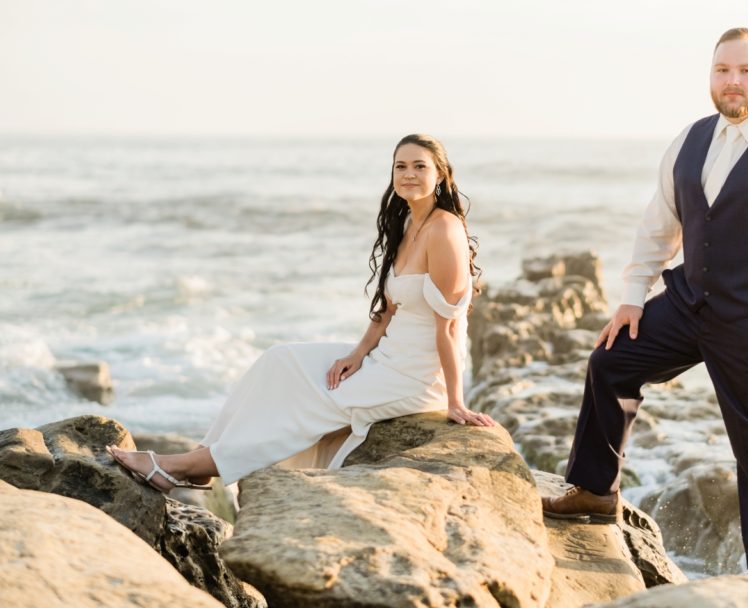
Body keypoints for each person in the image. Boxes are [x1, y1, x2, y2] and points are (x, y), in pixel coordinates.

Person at [540, 28, 748, 576]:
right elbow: (660, 225)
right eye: (723, 70)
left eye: (745, 71)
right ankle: (593, 490)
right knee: (611, 362)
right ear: (711, 75)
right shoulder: (690, 139)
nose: (733, 81)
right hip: (686, 304)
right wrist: (633, 298)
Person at [108, 133, 496, 492]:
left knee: (307, 402)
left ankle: (182, 466)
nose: (409, 174)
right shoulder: (408, 221)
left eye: (420, 166)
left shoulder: (446, 230)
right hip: (386, 357)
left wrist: (454, 402)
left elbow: (449, 327)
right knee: (281, 360)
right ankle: (205, 459)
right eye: (401, 166)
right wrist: (356, 355)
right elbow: (389, 309)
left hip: (416, 377)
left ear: (441, 175)